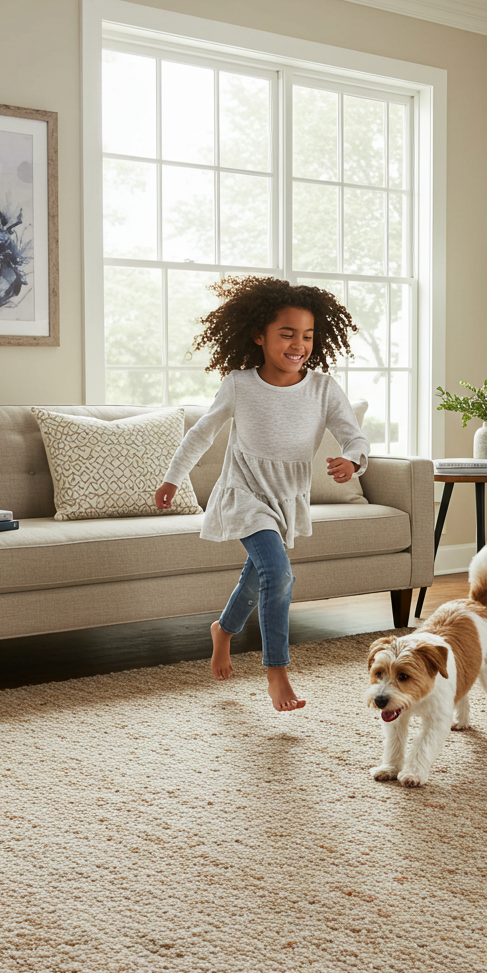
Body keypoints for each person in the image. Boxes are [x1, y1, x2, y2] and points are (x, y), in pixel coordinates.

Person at [155, 276, 369, 712]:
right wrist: (173, 478)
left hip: (287, 498)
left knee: (257, 580)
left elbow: (355, 438)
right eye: (286, 333)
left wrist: (353, 462)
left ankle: (223, 631)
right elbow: (201, 434)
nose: (298, 344)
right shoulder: (240, 384)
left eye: (307, 336)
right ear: (259, 335)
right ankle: (277, 673)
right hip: (244, 493)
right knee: (280, 574)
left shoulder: (323, 388)